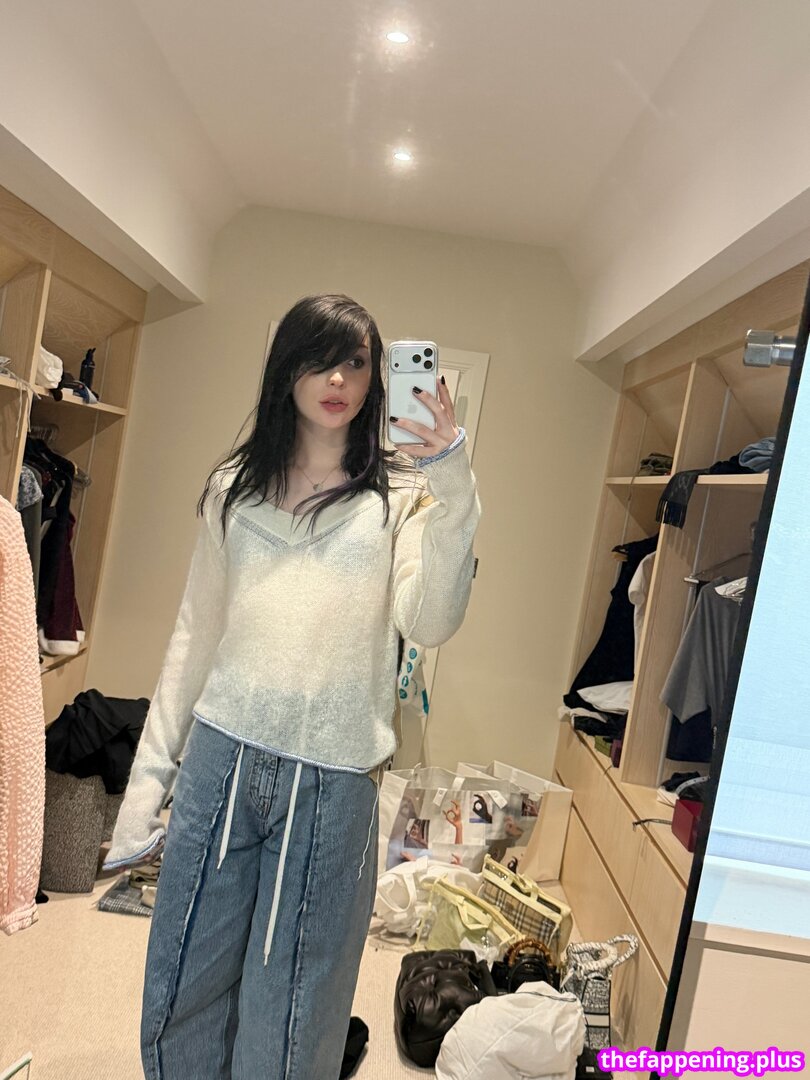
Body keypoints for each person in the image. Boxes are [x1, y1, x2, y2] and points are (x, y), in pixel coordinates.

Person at [104, 294, 481, 1080]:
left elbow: (432, 619)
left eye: (355, 362)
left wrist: (453, 481)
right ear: (286, 369)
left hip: (333, 781)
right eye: (319, 359)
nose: (337, 379)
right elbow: (194, 635)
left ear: (377, 379)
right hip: (222, 760)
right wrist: (147, 787)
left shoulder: (401, 497)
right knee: (182, 982)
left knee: (296, 1007)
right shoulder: (234, 487)